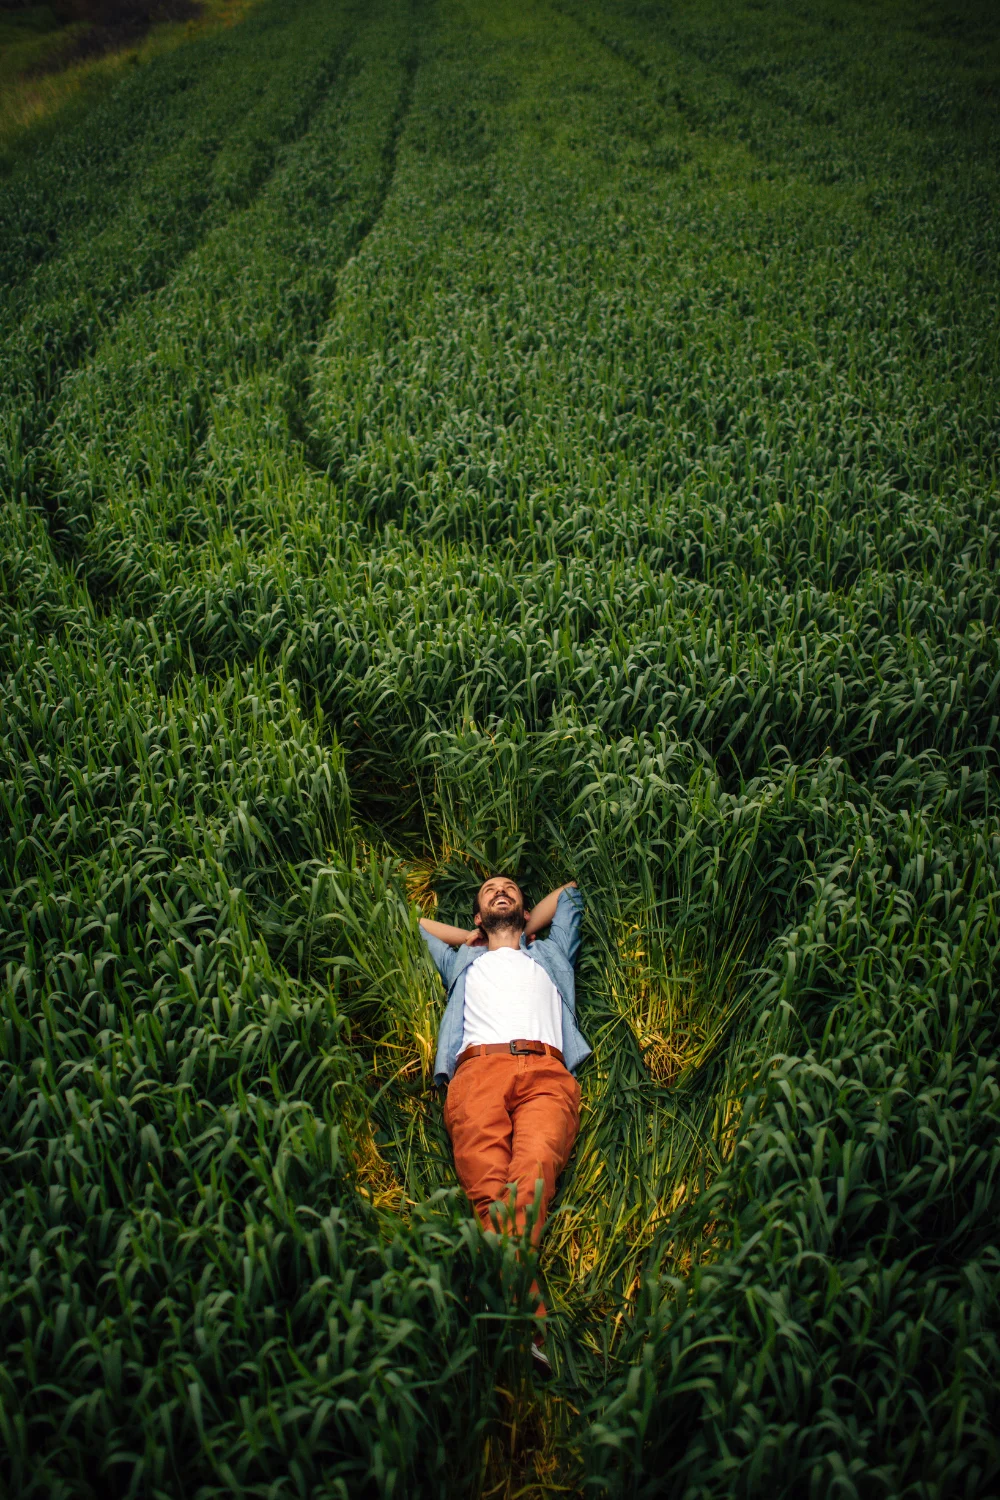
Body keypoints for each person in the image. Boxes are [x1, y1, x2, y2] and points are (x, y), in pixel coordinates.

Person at [418, 875, 590, 1379]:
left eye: (510, 888)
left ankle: (499, 1320)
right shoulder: (464, 960)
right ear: (476, 915)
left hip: (546, 1073)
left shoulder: (551, 953)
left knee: (533, 1178)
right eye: (490, 890)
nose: (501, 891)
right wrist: (473, 936)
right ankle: (524, 1326)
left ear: (524, 907)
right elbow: (420, 926)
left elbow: (571, 893)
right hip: (476, 1074)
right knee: (488, 1192)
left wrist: (522, 925)